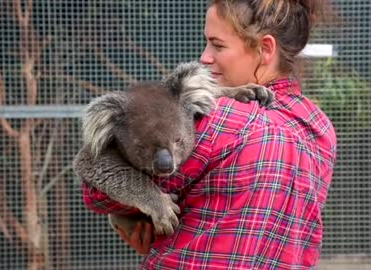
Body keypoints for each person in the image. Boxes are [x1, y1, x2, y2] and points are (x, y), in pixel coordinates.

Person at [82, 0, 337, 268]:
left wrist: (140, 207)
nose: (205, 56)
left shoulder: (217, 121)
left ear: (265, 49)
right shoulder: (319, 128)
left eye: (218, 45)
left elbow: (96, 194)